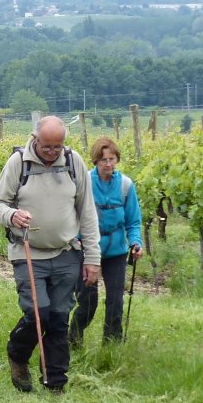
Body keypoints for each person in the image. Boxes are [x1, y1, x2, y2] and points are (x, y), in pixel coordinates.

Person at [0, 116, 100, 394]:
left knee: (60, 316)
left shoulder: (74, 163)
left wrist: (93, 257)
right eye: (47, 146)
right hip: (27, 252)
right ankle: (17, 353)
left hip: (66, 253)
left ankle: (55, 381)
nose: (52, 152)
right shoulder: (19, 163)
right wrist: (13, 215)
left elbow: (87, 212)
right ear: (35, 139)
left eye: (58, 146)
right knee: (39, 311)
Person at [70, 136, 143, 345]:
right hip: (87, 249)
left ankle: (111, 345)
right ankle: (74, 337)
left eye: (112, 159)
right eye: (104, 160)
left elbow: (133, 220)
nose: (108, 164)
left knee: (115, 300)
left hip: (116, 250)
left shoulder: (126, 186)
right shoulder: (84, 182)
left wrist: (135, 243)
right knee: (87, 300)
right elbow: (73, 215)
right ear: (95, 161)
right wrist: (77, 240)